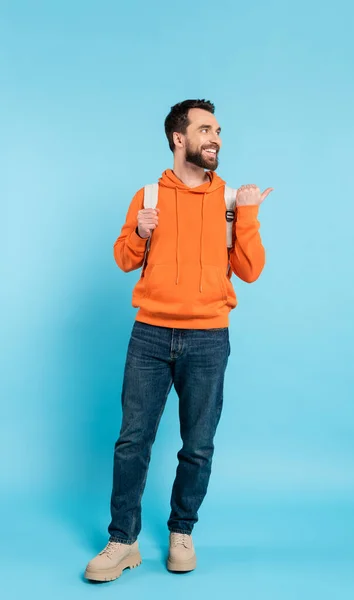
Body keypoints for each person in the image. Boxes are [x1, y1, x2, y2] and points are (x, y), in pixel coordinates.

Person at [84, 99, 273, 581]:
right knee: (132, 442)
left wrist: (247, 215)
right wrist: (141, 235)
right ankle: (123, 540)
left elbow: (250, 272)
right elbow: (124, 259)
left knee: (198, 446)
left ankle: (181, 530)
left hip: (209, 338)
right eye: (206, 129)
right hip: (149, 335)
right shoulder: (147, 196)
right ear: (178, 138)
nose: (216, 139)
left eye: (219, 131)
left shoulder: (231, 199)